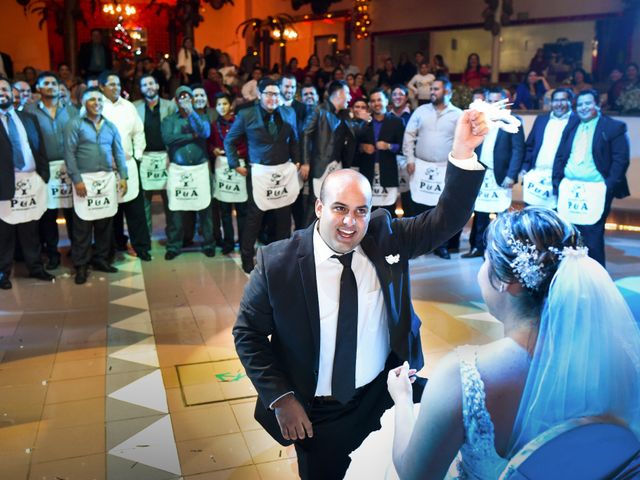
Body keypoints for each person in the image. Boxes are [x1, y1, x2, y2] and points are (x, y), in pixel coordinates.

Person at [233, 108, 488, 480]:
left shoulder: (386, 236)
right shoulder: (278, 263)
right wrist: (281, 398)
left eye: (361, 211)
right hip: (319, 408)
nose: (351, 222)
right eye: (339, 209)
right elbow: (248, 334)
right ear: (319, 207)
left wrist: (463, 152)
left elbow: (446, 219)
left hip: (385, 387)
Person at [385, 207, 640, 479]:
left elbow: (414, 474)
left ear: (508, 282)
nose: (482, 270)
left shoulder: (464, 378)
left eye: (485, 259)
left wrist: (402, 398)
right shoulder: (620, 359)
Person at [224, 78, 301, 273]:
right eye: (268, 93)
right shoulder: (246, 114)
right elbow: (230, 141)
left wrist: (298, 160)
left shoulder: (288, 112)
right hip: (258, 173)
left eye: (276, 94)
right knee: (254, 218)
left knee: (284, 217)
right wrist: (235, 165)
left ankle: (282, 257)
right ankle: (247, 257)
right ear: (259, 94)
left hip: (283, 172)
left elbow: (295, 140)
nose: (273, 98)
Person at [552, 89, 630, 267]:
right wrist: (558, 182)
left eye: (587, 103)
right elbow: (560, 156)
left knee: (592, 237)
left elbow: (620, 160)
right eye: (579, 104)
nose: (583, 108)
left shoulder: (613, 127)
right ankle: (570, 274)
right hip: (570, 188)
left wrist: (607, 186)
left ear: (597, 104)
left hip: (596, 189)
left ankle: (594, 278)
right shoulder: (572, 125)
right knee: (568, 234)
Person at [64, 88, 128, 284]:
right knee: (82, 226)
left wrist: (123, 177)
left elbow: (119, 153)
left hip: (107, 180)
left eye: (100, 99)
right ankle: (81, 265)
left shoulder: (110, 126)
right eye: (92, 99)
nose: (97, 103)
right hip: (85, 180)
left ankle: (101, 259)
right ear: (84, 103)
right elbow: (69, 154)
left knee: (104, 224)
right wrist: (77, 180)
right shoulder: (74, 124)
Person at [0, 76, 54, 290]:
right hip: (4, 183)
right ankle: (3, 272)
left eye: (4, 88)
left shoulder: (27, 118)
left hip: (31, 180)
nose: (1, 92)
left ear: (12, 93)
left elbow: (39, 148)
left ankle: (36, 266)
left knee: (30, 228)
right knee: (4, 231)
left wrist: (43, 176)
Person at [403, 77, 462, 257]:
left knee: (441, 210)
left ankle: (439, 245)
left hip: (445, 169)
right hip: (420, 166)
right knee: (419, 208)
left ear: (448, 92)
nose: (432, 92)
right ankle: (418, 244)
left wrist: (456, 168)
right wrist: (410, 159)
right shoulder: (421, 111)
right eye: (432, 89)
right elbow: (409, 135)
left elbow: (460, 143)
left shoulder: (458, 114)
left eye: (436, 89)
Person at [463, 87, 524, 259]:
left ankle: (498, 252)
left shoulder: (512, 120)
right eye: (489, 100)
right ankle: (477, 248)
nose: (493, 104)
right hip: (481, 174)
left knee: (501, 215)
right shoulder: (480, 121)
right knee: (480, 213)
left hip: (501, 175)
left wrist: (512, 175)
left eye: (497, 100)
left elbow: (518, 151)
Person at [28, 72, 77, 270]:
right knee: (48, 213)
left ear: (59, 87)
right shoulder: (30, 111)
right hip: (45, 168)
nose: (50, 86)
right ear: (38, 88)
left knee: (73, 212)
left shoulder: (71, 110)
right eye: (45, 83)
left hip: (69, 167)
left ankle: (77, 250)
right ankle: (52, 253)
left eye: (54, 83)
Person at [100, 71, 151, 261]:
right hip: (105, 167)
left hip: (129, 164)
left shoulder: (128, 106)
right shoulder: (96, 106)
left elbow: (139, 133)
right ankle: (113, 247)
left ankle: (142, 247)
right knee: (111, 211)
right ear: (101, 87)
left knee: (135, 209)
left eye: (118, 84)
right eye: (111, 84)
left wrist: (137, 156)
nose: (116, 88)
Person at [161, 85, 215, 260]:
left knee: (205, 208)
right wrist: (191, 137)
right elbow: (168, 138)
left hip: (199, 168)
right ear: (176, 101)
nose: (184, 99)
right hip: (178, 169)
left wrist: (191, 112)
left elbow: (205, 132)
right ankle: (174, 245)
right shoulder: (169, 120)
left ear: (192, 99)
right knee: (176, 209)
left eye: (187, 97)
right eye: (181, 97)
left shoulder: (201, 116)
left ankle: (209, 244)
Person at [303, 80, 358, 226]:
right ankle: (303, 241)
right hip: (320, 166)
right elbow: (305, 134)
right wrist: (305, 162)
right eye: (347, 93)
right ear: (339, 93)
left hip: (338, 166)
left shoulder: (344, 114)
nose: (350, 97)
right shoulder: (318, 110)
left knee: (334, 202)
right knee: (314, 205)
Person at [133, 73, 178, 237]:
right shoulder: (134, 107)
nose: (149, 87)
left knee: (170, 200)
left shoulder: (170, 106)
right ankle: (145, 236)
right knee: (145, 201)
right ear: (141, 89)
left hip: (166, 157)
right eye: (144, 85)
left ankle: (172, 236)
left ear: (158, 86)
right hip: (145, 158)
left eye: (151, 83)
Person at [521, 87, 576, 208]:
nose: (559, 104)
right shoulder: (541, 119)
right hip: (536, 176)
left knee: (554, 221)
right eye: (556, 100)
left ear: (571, 102)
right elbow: (530, 145)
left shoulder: (577, 122)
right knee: (532, 218)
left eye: (563, 100)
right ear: (551, 102)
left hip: (560, 179)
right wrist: (525, 168)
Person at [209, 92, 248, 254]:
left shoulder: (239, 122)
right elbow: (209, 144)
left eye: (224, 104)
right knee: (224, 209)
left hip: (239, 166)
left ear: (230, 105)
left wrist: (238, 153)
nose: (222, 107)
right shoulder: (213, 125)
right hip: (221, 167)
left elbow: (247, 144)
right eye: (219, 104)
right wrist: (214, 150)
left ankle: (244, 241)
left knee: (241, 209)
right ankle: (228, 242)